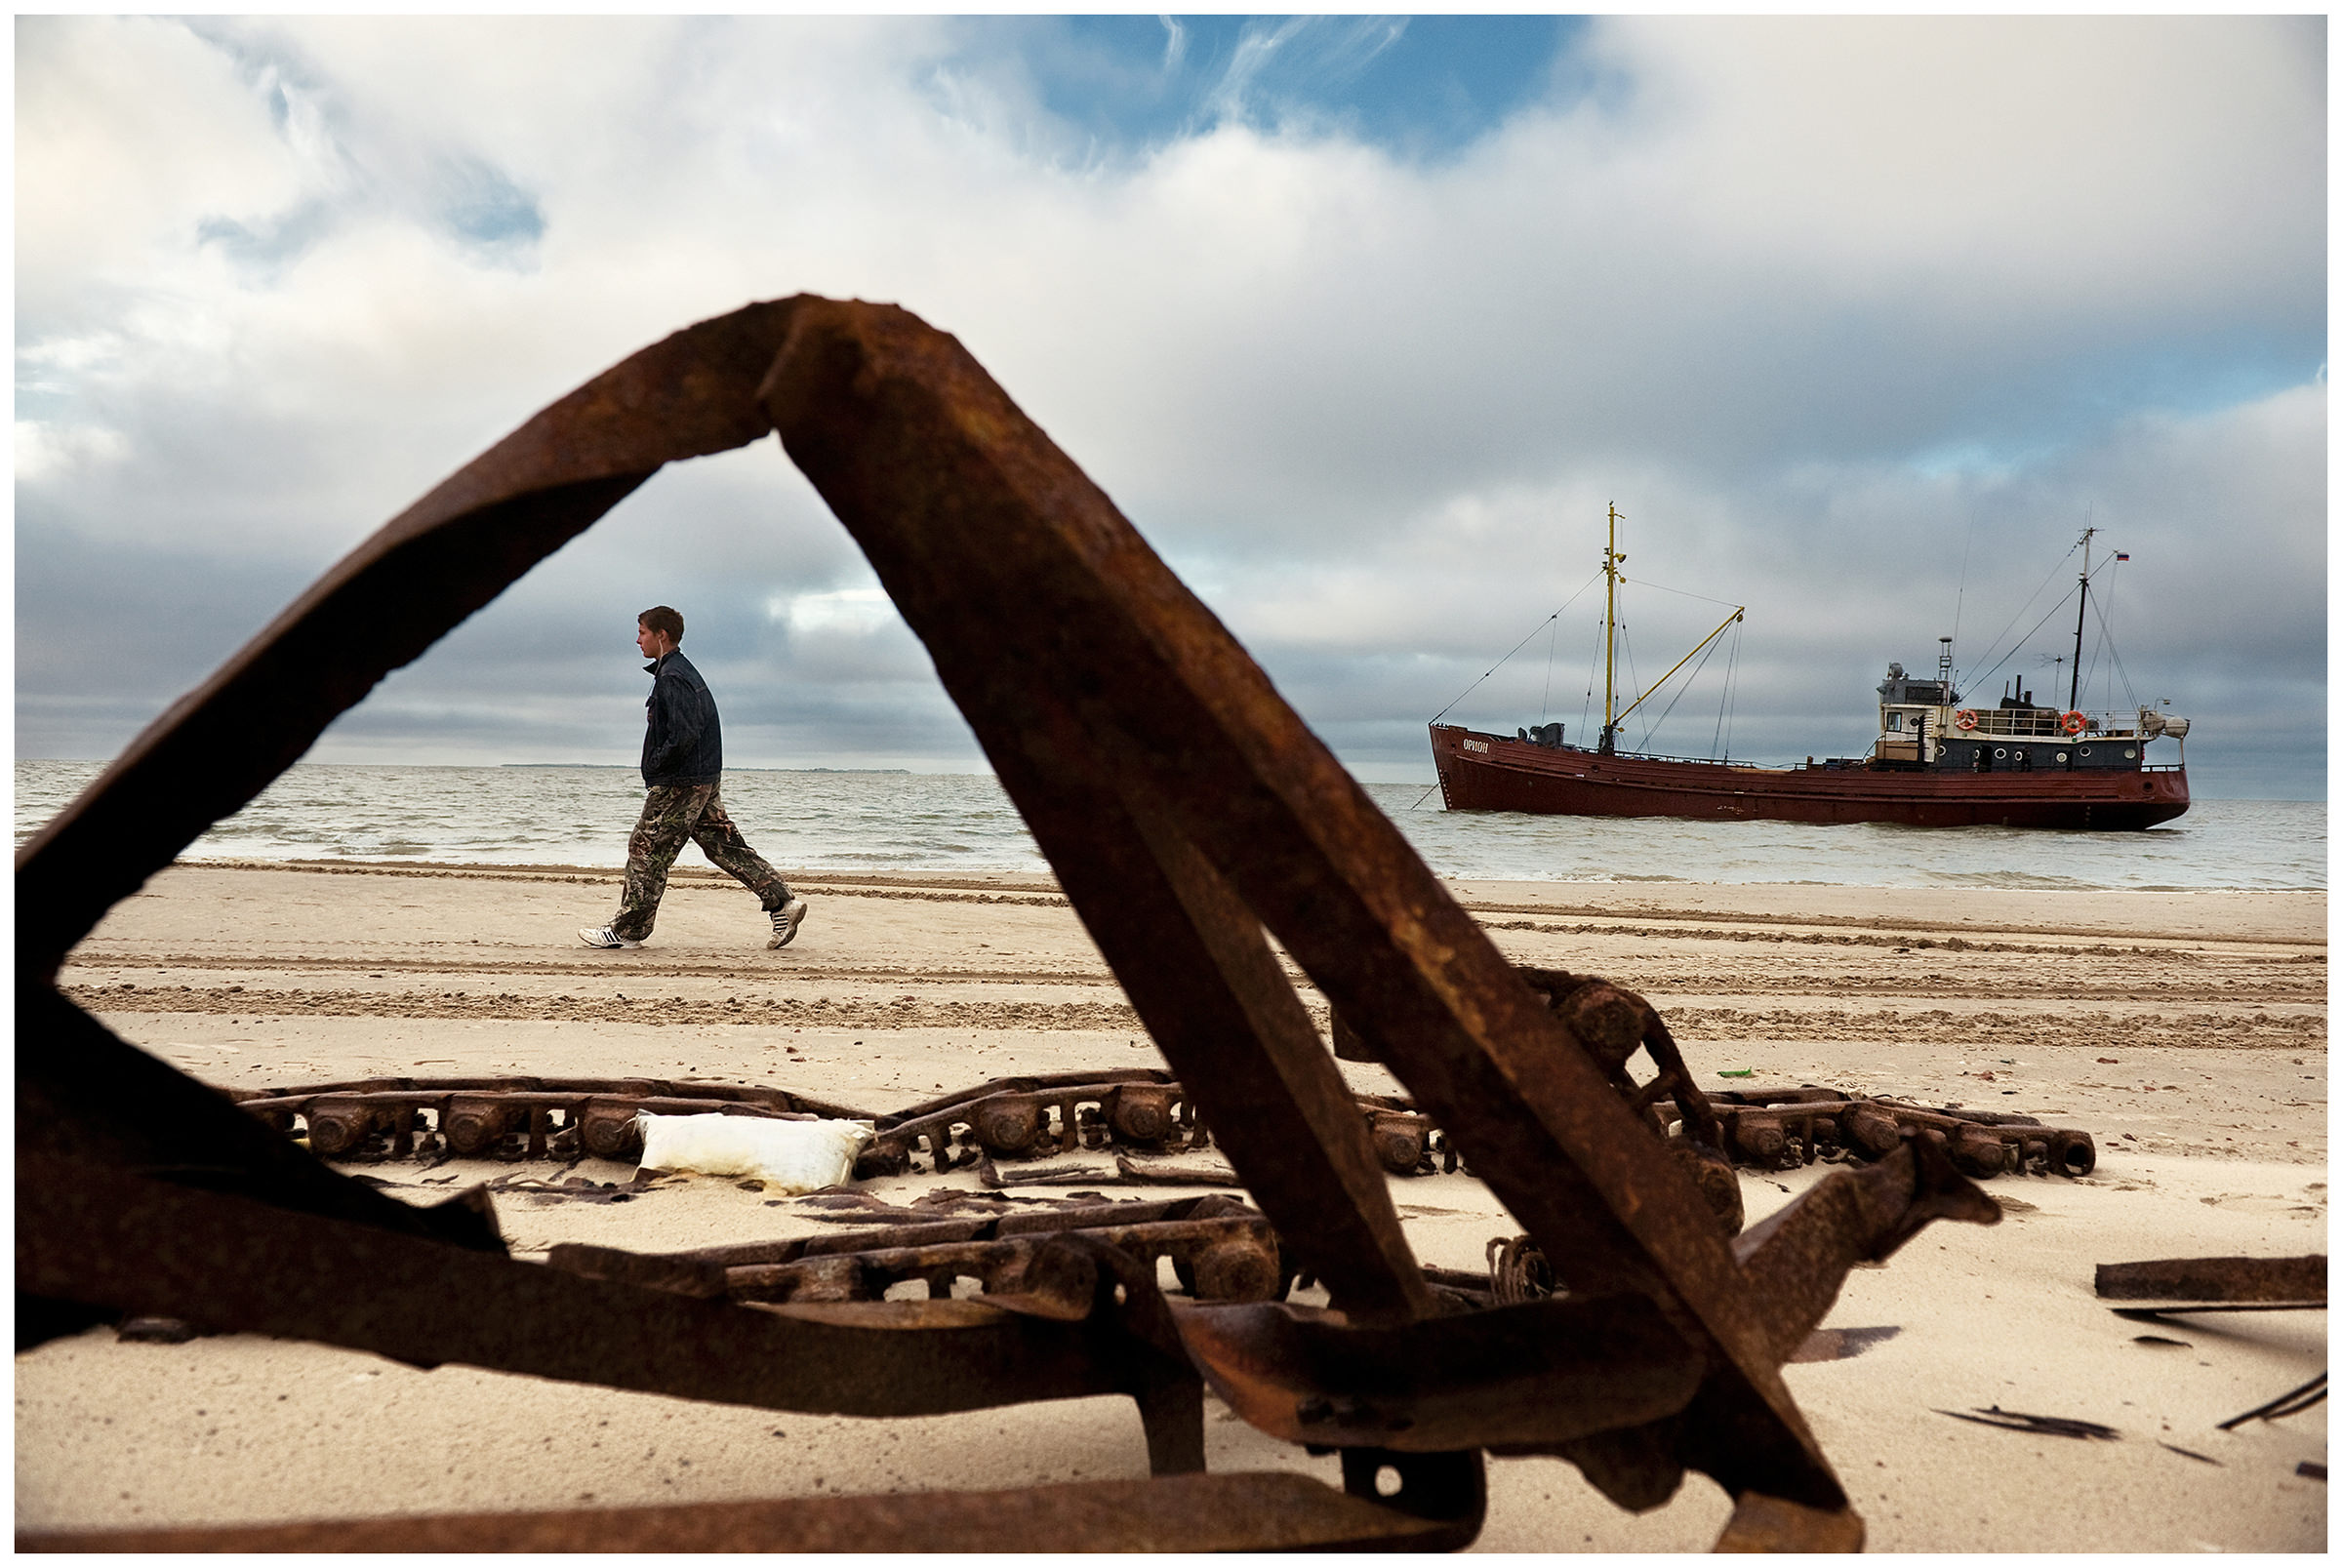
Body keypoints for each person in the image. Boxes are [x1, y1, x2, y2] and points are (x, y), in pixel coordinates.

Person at [579, 606, 808, 950]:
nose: (637, 639)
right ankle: (782, 904)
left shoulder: (674, 677)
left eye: (641, 632)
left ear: (661, 635)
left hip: (682, 780)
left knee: (646, 848)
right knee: (723, 845)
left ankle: (627, 930)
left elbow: (683, 734)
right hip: (701, 777)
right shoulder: (677, 672)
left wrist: (656, 766)